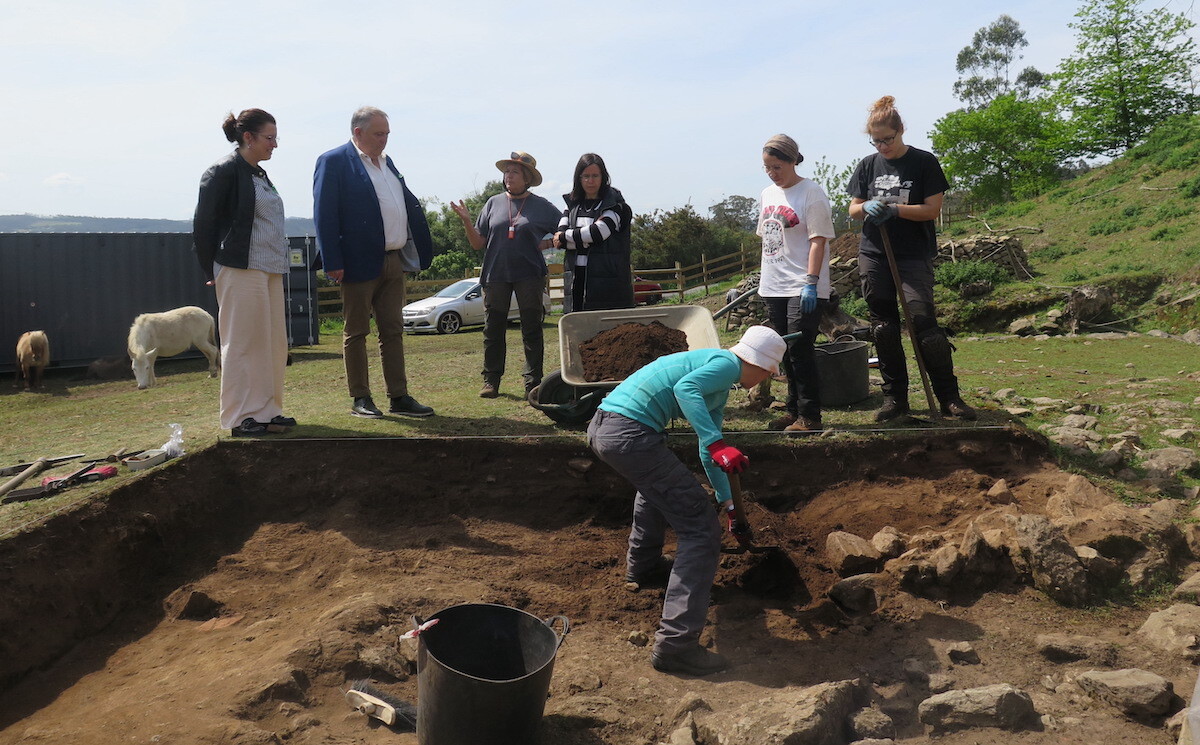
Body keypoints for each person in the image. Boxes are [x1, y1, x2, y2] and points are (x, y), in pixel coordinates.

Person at [586, 325, 787, 676]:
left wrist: (730, 506)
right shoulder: (726, 364)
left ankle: (645, 567)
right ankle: (676, 647)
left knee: (655, 490)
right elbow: (685, 389)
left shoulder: (719, 382)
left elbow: (710, 454)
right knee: (700, 530)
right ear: (758, 364)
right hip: (631, 434)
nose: (764, 379)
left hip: (605, 427)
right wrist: (715, 442)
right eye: (769, 373)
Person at [847, 96, 976, 422]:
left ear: (900, 131)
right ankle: (895, 400)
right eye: (876, 140)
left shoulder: (924, 163)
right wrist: (866, 208)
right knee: (884, 328)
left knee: (923, 324)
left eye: (887, 139)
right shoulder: (867, 165)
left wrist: (894, 210)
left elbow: (932, 210)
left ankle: (950, 398)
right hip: (875, 253)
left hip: (913, 255)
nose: (882, 146)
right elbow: (852, 207)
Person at [313, 107, 435, 419]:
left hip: (393, 261)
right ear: (358, 133)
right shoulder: (334, 161)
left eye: (387, 134)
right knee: (356, 332)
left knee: (393, 331)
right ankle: (361, 398)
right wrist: (332, 261)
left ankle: (399, 396)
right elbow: (324, 215)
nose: (384, 140)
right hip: (355, 263)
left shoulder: (387, 163)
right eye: (378, 134)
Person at [193, 108, 293, 438]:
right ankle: (239, 418)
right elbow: (204, 225)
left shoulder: (260, 174)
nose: (275, 144)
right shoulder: (223, 171)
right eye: (269, 138)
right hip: (239, 267)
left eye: (276, 137)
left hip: (269, 269)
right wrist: (212, 268)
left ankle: (267, 411)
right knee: (242, 343)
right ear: (247, 137)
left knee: (273, 343)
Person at [450, 152, 560, 398]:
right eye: (506, 171)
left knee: (531, 328)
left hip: (530, 274)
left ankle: (533, 382)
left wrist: (548, 245)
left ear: (527, 178)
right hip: (496, 274)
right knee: (493, 329)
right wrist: (467, 221)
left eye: (514, 172)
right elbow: (478, 243)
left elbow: (564, 229)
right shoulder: (493, 203)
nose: (508, 176)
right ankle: (491, 381)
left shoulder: (542, 206)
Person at [756, 134, 836, 433]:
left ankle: (810, 417)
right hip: (774, 285)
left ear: (792, 161)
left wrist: (812, 283)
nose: (772, 173)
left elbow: (817, 241)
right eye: (766, 167)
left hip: (802, 286)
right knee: (783, 350)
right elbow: (769, 241)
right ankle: (793, 411)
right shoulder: (767, 194)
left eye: (777, 166)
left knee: (801, 349)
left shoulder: (811, 193)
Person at [553, 153, 634, 312]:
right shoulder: (571, 205)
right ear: (579, 177)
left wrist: (567, 237)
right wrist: (572, 238)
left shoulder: (615, 205)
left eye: (595, 175)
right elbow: (560, 240)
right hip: (576, 279)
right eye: (586, 176)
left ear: (603, 177)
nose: (591, 181)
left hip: (608, 283)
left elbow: (598, 233)